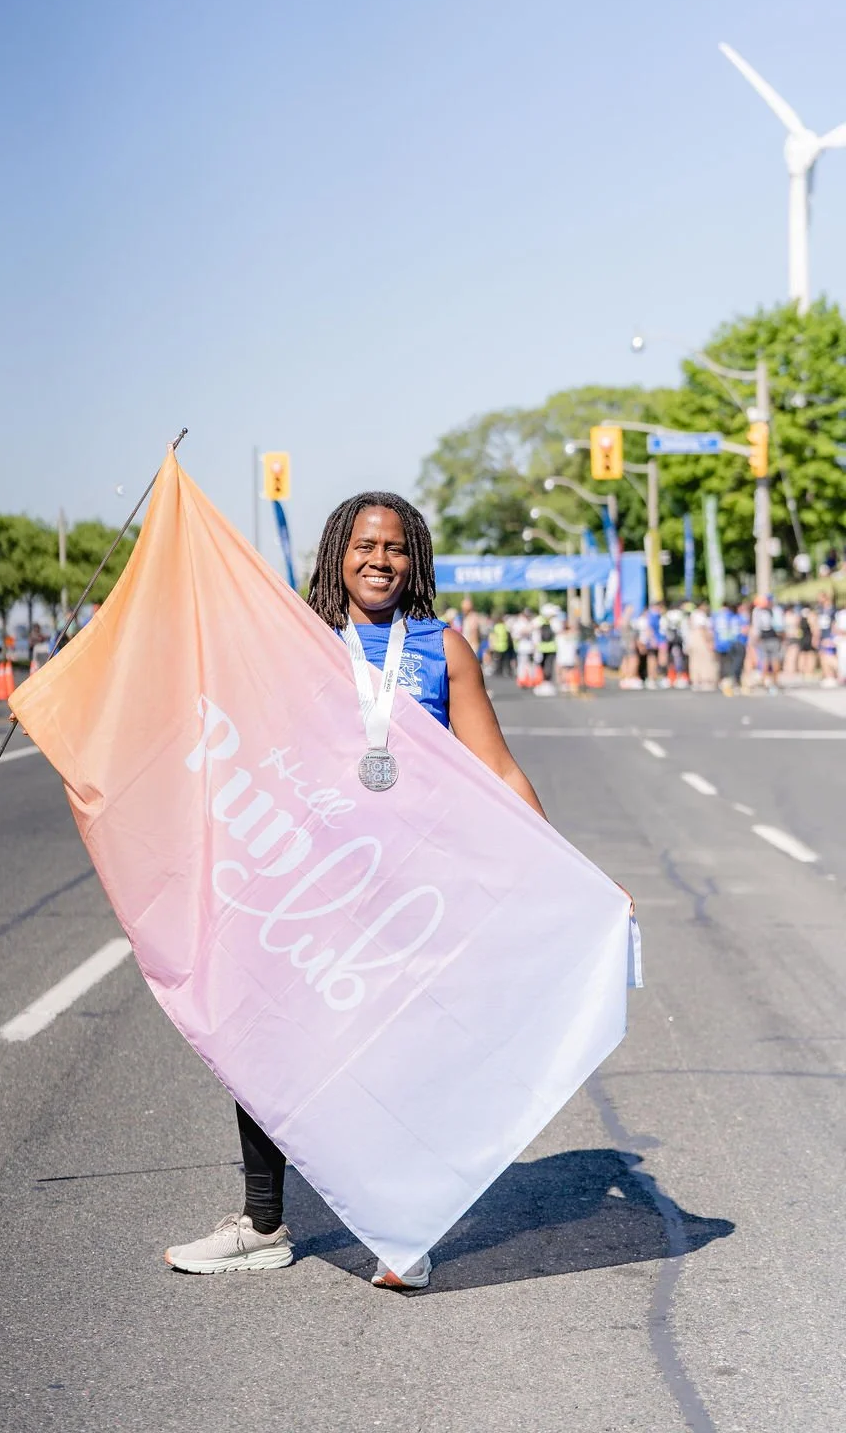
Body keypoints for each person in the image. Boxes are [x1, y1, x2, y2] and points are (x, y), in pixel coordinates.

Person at [164, 491, 548, 1290]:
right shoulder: (294, 644)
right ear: (337, 552)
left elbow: (498, 768)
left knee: (400, 1058)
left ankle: (404, 1231)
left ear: (418, 561)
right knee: (267, 1043)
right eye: (366, 545)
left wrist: (564, 867)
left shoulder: (445, 648)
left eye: (397, 548)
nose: (381, 560)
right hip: (304, 879)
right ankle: (262, 1224)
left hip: (410, 895)